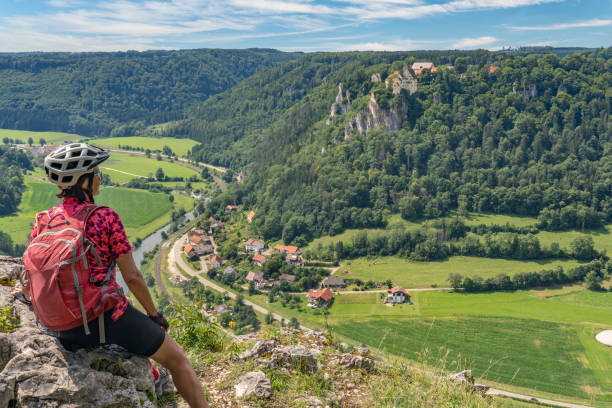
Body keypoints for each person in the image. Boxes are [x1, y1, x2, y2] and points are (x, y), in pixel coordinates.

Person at [21, 143, 209, 408]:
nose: (101, 177)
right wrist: (155, 316)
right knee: (177, 358)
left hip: (59, 327)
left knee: (130, 325)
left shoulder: (44, 220)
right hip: (103, 320)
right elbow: (132, 277)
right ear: (84, 180)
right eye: (97, 173)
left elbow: (32, 275)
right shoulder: (105, 218)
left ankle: (149, 375)